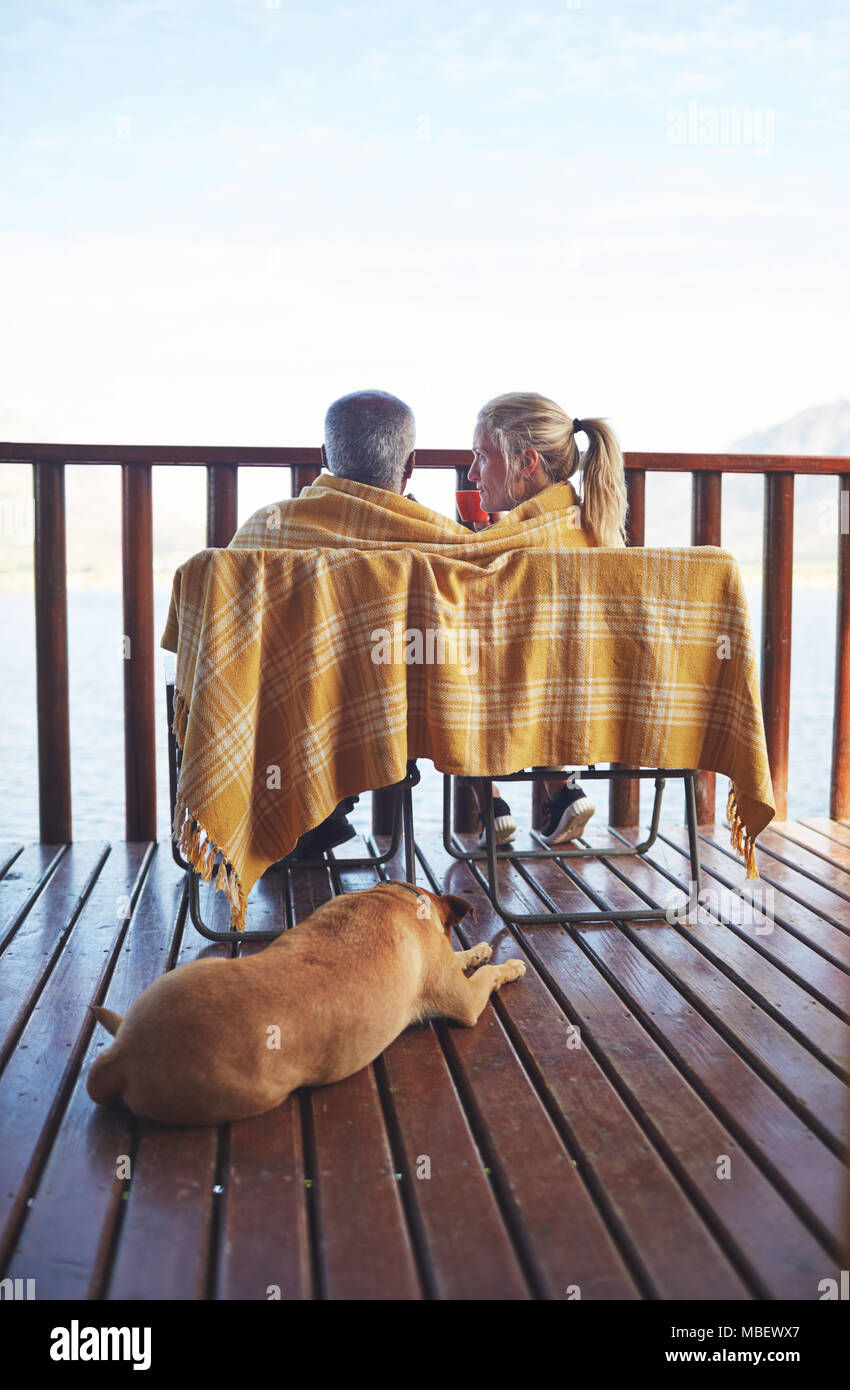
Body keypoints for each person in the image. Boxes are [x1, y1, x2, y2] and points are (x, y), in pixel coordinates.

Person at [234, 388, 421, 859]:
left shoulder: (261, 532)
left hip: (272, 717)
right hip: (390, 725)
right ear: (411, 464)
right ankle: (326, 808)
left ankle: (309, 812)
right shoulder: (430, 539)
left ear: (324, 458)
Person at [463, 391, 629, 847]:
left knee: (449, 661)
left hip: (511, 709)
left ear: (526, 462)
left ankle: (490, 800)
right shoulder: (595, 533)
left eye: (481, 457)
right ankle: (561, 788)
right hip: (596, 706)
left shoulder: (511, 547)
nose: (474, 472)